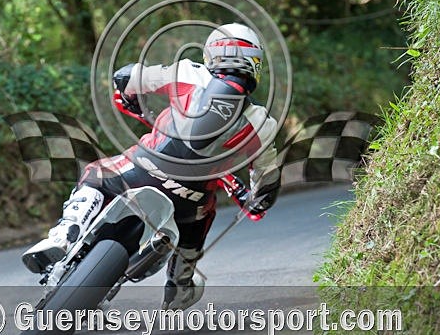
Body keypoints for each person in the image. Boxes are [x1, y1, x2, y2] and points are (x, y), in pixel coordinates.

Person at [21, 23, 281, 310]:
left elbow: (128, 76)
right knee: (199, 226)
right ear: (255, 64)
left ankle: (64, 234)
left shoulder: (187, 72)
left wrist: (130, 98)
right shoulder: (263, 123)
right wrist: (253, 201)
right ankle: (179, 285)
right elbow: (266, 187)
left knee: (95, 174)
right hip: (191, 204)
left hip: (143, 170)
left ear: (212, 54)